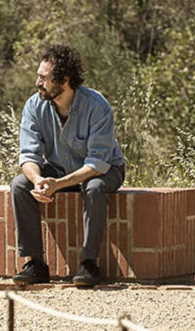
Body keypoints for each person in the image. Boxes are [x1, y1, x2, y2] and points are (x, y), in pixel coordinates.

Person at [11, 46, 125, 288]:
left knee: (93, 188)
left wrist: (59, 184)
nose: (37, 82)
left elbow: (97, 163)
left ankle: (89, 264)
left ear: (64, 81)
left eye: (44, 78)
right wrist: (38, 181)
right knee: (20, 185)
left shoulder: (97, 106)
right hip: (59, 170)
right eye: (39, 76)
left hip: (105, 170)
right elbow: (28, 155)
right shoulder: (34, 106)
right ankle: (36, 264)